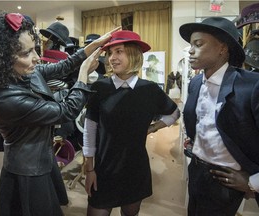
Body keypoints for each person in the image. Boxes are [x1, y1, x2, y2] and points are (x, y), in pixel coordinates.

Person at [0, 11, 120, 216]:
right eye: (25, 53)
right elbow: (66, 111)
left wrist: (90, 48)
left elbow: (64, 66)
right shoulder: (5, 99)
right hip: (27, 169)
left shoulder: (28, 73)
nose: (35, 58)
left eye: (35, 49)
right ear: (2, 59)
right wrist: (83, 74)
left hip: (42, 156)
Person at [83, 30, 180, 216]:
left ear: (134, 54)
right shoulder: (100, 88)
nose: (112, 58)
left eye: (119, 51)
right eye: (110, 53)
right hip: (104, 169)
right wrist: (89, 169)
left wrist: (151, 128)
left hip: (135, 169)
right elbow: (90, 129)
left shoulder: (149, 89)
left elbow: (174, 113)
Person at [179, 16, 259, 216]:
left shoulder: (251, 85)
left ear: (222, 48)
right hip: (196, 170)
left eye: (198, 44)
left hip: (226, 179)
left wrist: (253, 181)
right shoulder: (196, 83)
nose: (190, 50)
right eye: (191, 45)